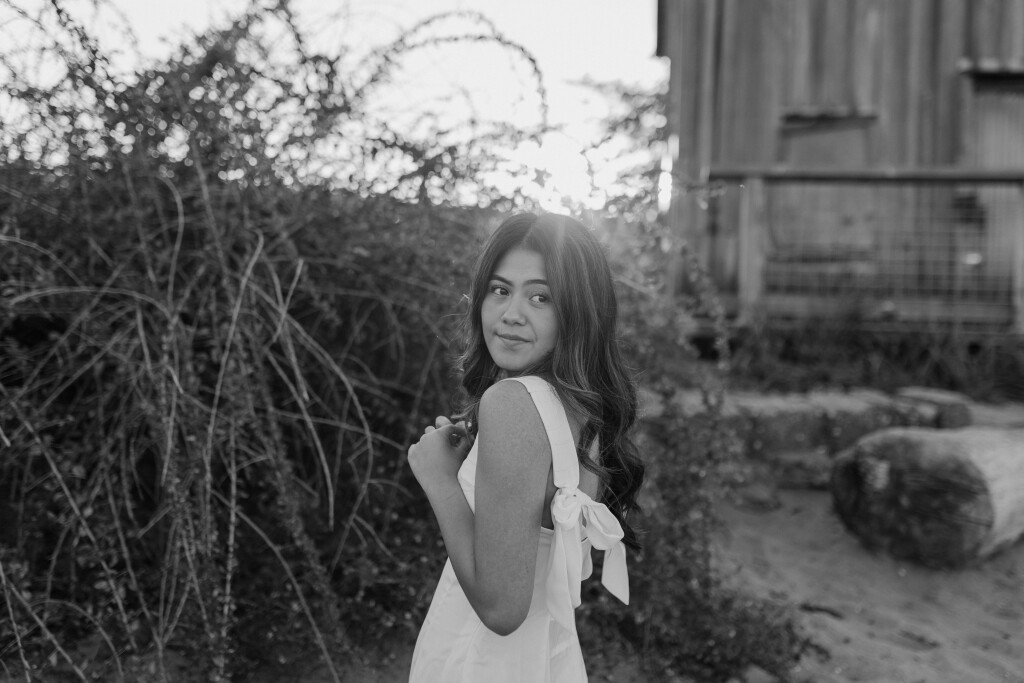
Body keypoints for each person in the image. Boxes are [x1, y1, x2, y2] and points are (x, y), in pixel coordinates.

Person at [406, 212, 645, 682]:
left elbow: (501, 610)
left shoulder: (513, 403)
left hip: (480, 662)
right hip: (546, 659)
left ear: (578, 311)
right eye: (500, 290)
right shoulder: (582, 408)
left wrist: (440, 480)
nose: (511, 313)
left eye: (540, 297)